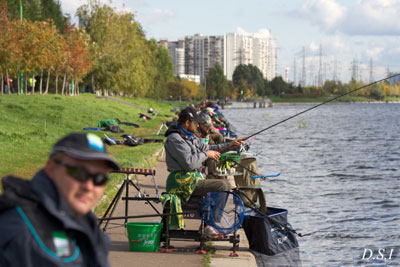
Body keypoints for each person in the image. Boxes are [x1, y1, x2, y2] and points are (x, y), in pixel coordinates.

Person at [0, 133, 119, 266]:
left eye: (99, 179)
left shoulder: (80, 218)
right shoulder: (24, 233)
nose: (89, 186)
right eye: (79, 173)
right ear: (51, 167)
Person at [163, 107, 244, 230]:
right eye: (195, 122)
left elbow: (209, 148)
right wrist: (207, 155)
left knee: (223, 184)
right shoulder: (175, 139)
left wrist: (230, 145)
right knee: (223, 185)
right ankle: (211, 226)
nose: (197, 125)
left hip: (191, 180)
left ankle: (209, 223)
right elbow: (189, 163)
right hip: (180, 182)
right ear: (186, 123)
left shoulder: (190, 136)